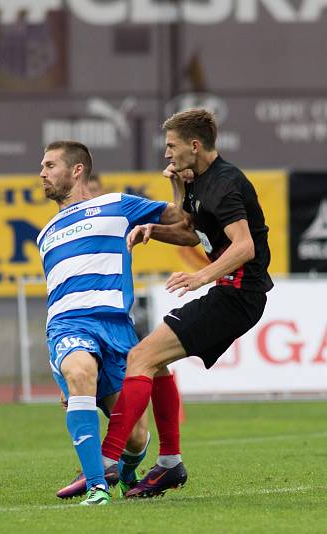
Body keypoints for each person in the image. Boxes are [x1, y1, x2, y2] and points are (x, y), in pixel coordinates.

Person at [99, 108, 273, 498]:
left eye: (171, 146)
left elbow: (243, 246)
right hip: (230, 293)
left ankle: (106, 463)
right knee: (153, 363)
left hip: (237, 296)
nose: (166, 154)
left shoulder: (225, 184)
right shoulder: (199, 180)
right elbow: (193, 233)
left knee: (140, 358)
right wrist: (154, 228)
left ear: (195, 146)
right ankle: (169, 465)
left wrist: (200, 277)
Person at [38, 140, 189, 505]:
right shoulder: (44, 234)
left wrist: (178, 184)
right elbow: (58, 293)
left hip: (117, 329)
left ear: (77, 170)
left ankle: (125, 472)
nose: (41, 173)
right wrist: (65, 376)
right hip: (68, 325)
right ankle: (96, 486)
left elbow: (183, 219)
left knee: (136, 436)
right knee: (79, 372)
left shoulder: (117, 205)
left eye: (49, 165)